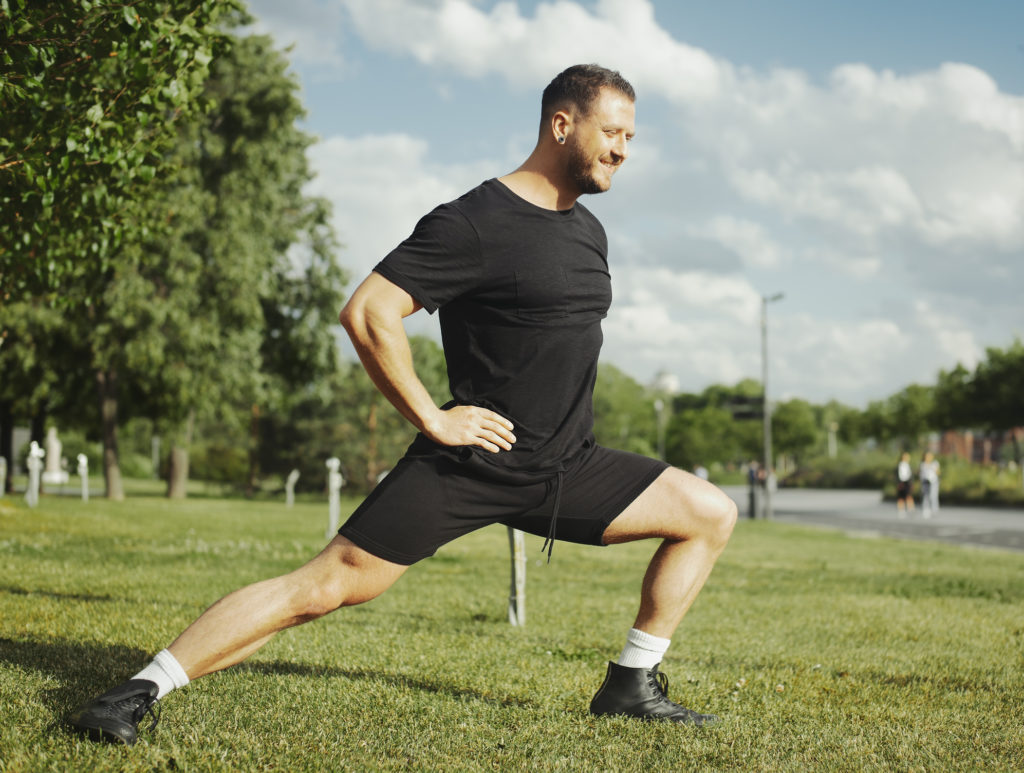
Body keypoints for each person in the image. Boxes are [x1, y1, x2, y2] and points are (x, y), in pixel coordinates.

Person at [67, 64, 738, 745]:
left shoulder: (587, 230)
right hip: (473, 463)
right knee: (326, 586)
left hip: (568, 464)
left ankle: (630, 683)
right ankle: (137, 689)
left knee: (708, 512)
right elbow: (368, 311)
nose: (624, 148)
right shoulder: (475, 221)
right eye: (612, 130)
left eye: (631, 135)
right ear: (563, 124)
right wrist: (432, 417)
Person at [919, 451, 940, 517]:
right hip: (925, 481)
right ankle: (925, 509)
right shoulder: (922, 464)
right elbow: (920, 473)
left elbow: (938, 472)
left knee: (933, 496)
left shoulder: (935, 463)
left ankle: (934, 510)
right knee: (925, 496)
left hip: (933, 482)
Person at [895, 451, 915, 516]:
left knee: (908, 495)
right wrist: (898, 483)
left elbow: (911, 475)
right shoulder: (899, 465)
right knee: (900, 497)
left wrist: (911, 483)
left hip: (907, 482)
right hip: (901, 482)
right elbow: (896, 475)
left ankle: (910, 508)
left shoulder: (908, 465)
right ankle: (901, 510)